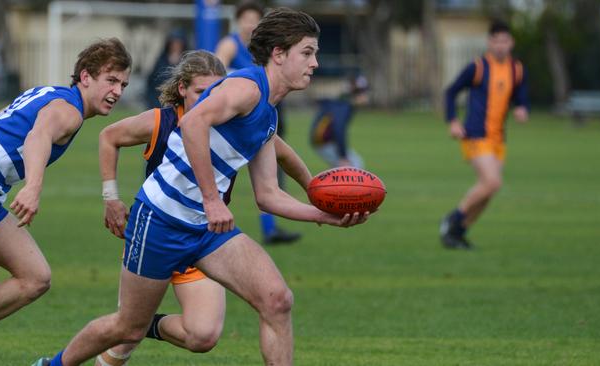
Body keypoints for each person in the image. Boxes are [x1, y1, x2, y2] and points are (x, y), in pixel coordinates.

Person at [33, 8, 369, 366]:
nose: (315, 63)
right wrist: (212, 200)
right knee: (128, 328)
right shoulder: (246, 87)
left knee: (277, 300)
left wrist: (323, 215)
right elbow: (193, 124)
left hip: (206, 230)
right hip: (160, 220)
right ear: (279, 54)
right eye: (307, 52)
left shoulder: (268, 114)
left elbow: (268, 196)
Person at [95, 50, 313, 366]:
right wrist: (110, 197)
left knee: (203, 336)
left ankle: (147, 326)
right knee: (125, 334)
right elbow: (108, 136)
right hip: (157, 228)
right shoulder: (162, 120)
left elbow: (283, 153)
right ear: (183, 89)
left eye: (217, 89)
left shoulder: (234, 120)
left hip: (203, 235)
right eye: (201, 91)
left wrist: (316, 191)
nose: (211, 97)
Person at [0, 38, 131, 339]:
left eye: (123, 84)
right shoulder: (69, 111)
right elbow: (37, 137)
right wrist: (33, 187)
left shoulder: (47, 93)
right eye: (111, 80)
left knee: (35, 276)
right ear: (86, 76)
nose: (117, 92)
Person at [215, 0, 301, 245]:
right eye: (246, 18)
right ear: (238, 20)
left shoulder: (264, 48)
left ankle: (270, 228)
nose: (250, 23)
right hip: (238, 114)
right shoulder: (230, 44)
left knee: (269, 170)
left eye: (255, 19)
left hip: (266, 110)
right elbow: (216, 71)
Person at [439, 20, 529, 250]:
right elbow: (450, 92)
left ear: (511, 42)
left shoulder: (516, 69)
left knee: (488, 192)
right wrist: (453, 121)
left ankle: (457, 234)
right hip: (475, 135)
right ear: (489, 42)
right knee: (492, 182)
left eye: (505, 41)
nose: (500, 46)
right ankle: (454, 218)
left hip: (499, 138)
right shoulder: (478, 67)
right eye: (496, 41)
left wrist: (521, 107)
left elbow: (520, 94)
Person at [310, 73, 369, 168]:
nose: (365, 97)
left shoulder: (342, 102)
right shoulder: (344, 105)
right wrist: (343, 156)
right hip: (324, 142)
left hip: (324, 141)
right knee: (355, 164)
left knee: (344, 167)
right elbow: (338, 130)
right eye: (362, 93)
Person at [145, 29, 188, 109]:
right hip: (159, 102)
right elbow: (152, 82)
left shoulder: (187, 61)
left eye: (178, 43)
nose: (175, 46)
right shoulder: (161, 60)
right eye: (173, 43)